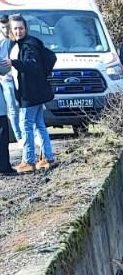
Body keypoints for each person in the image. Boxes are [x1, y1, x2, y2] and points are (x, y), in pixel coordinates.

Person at [3, 14, 55, 173]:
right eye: (15, 29)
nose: (18, 31)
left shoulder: (27, 46)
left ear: (26, 28)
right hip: (37, 92)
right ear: (11, 31)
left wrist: (14, 63)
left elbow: (32, 65)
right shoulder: (29, 42)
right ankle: (47, 157)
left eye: (21, 28)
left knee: (25, 125)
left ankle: (29, 160)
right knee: (39, 125)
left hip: (30, 94)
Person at [0, 16, 22, 146]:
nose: (5, 30)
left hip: (18, 76)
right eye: (2, 27)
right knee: (12, 108)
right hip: (7, 78)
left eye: (7, 27)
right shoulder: (2, 41)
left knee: (21, 107)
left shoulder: (14, 40)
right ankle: (19, 136)